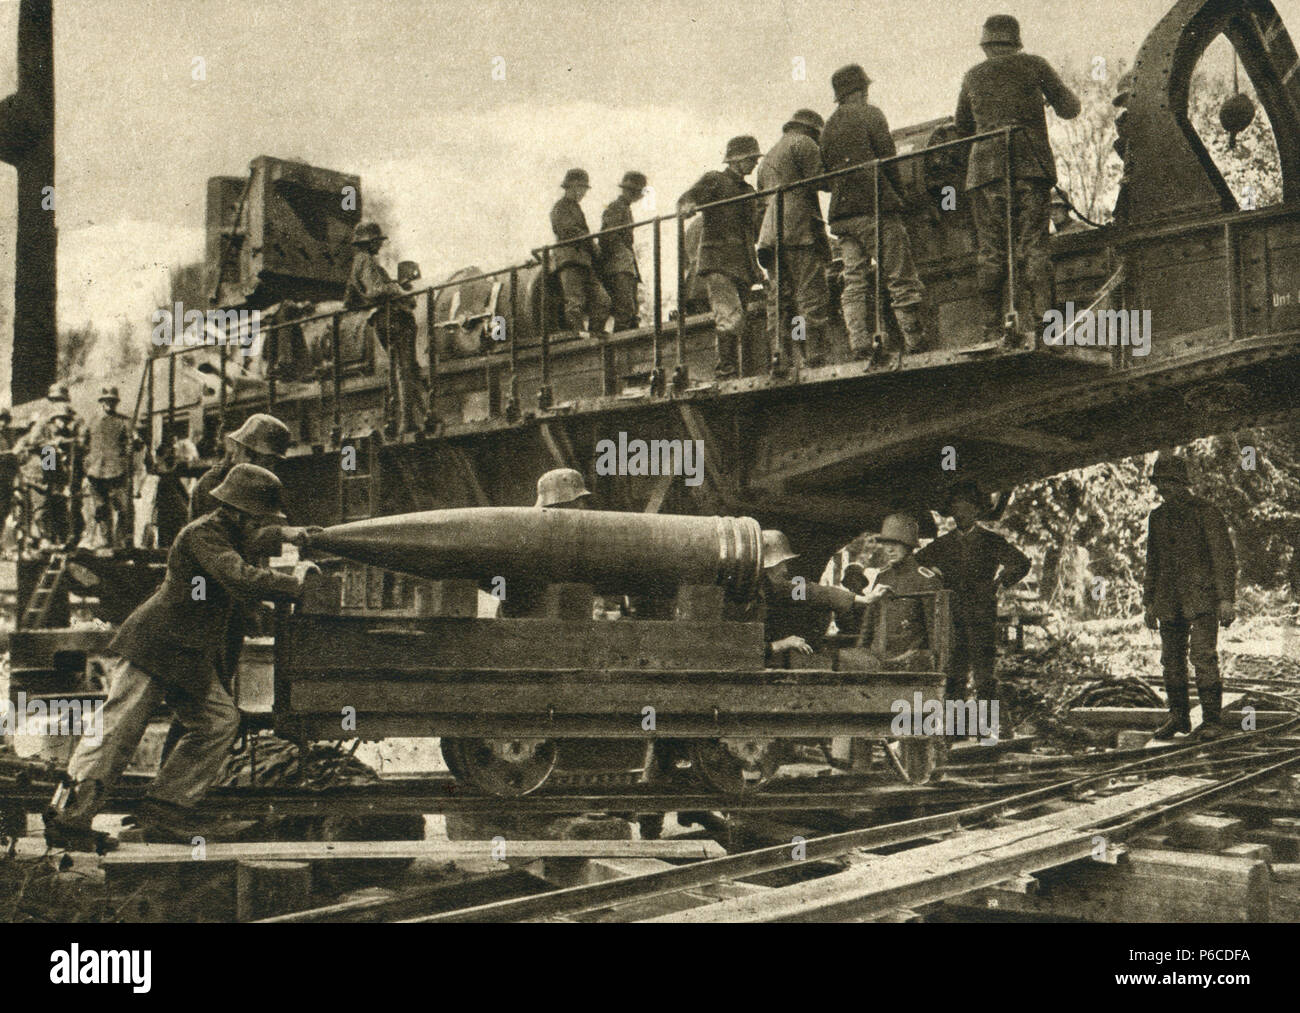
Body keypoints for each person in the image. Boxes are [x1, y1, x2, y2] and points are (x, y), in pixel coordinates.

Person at [43, 465, 314, 851]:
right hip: (156, 644)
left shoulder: (231, 530)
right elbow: (237, 576)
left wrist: (289, 533)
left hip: (188, 652)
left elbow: (257, 538)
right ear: (239, 512)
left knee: (219, 721)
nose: (262, 526)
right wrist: (295, 585)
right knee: (117, 731)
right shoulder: (204, 535)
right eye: (259, 518)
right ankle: (67, 820)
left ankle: (167, 809)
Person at [955, 14, 1081, 346]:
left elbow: (963, 128)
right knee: (1034, 246)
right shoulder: (1034, 65)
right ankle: (1045, 323)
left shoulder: (971, 76)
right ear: (1015, 42)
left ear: (986, 45)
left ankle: (990, 328)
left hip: (984, 174)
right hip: (1029, 168)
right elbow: (1070, 108)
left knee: (991, 251)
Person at [821, 63, 927, 363]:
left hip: (842, 216)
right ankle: (915, 341)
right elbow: (888, 159)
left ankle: (859, 344)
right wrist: (899, 196)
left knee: (853, 280)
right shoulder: (871, 114)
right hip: (874, 207)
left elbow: (827, 175)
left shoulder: (827, 127)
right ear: (862, 90)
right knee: (899, 274)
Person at [1143, 453, 1237, 740]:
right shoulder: (1157, 517)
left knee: (1203, 657)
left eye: (1167, 484)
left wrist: (1226, 599)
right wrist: (1148, 603)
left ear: (1181, 483)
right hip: (1168, 601)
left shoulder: (1207, 512)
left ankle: (1212, 722)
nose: (1162, 490)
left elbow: (1224, 557)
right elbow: (1153, 562)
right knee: (1171, 660)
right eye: (1160, 485)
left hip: (1203, 600)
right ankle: (1179, 718)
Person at [916, 479, 1031, 702]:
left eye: (966, 508)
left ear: (977, 510)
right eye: (956, 509)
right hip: (952, 616)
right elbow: (917, 564)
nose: (960, 514)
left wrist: (999, 583)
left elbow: (1021, 563)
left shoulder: (991, 541)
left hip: (982, 614)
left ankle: (986, 727)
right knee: (953, 675)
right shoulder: (944, 543)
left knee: (984, 677)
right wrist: (934, 576)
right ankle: (955, 731)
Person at [679, 136, 765, 379]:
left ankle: (733, 367)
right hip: (717, 261)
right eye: (750, 159)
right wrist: (686, 206)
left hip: (742, 266)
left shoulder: (749, 191)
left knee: (738, 318)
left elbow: (754, 230)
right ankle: (725, 370)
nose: (754, 164)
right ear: (737, 159)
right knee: (728, 315)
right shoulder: (715, 180)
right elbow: (688, 197)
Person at [757, 109, 832, 371]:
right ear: (812, 130)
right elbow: (823, 181)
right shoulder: (804, 143)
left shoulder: (767, 157)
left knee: (781, 301)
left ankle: (782, 356)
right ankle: (813, 356)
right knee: (809, 296)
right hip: (798, 231)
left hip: (770, 236)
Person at [345, 220, 425, 433]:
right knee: (405, 367)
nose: (379, 246)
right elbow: (375, 290)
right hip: (392, 318)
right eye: (376, 242)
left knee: (403, 367)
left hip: (385, 319)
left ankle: (417, 416)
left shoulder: (360, 262)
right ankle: (407, 421)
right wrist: (398, 288)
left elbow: (351, 299)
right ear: (368, 243)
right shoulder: (366, 262)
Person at [756, 529, 882, 664]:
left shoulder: (776, 587)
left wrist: (864, 599)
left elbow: (814, 592)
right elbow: (739, 651)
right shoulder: (746, 596)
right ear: (766, 566)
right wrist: (781, 644)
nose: (785, 570)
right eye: (780, 564)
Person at [859, 513, 944, 669]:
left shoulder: (926, 580)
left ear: (909, 545)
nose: (889, 549)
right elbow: (869, 622)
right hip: (880, 664)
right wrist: (861, 653)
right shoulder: (883, 577)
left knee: (917, 695)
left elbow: (936, 631)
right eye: (886, 543)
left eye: (896, 543)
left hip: (913, 669)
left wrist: (936, 670)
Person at [190, 414, 291, 521]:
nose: (271, 468)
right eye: (268, 461)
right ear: (249, 455)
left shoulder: (262, 483)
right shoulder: (214, 485)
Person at [16, 388, 83, 548]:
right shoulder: (42, 425)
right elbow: (33, 444)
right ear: (54, 419)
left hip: (53, 474)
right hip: (37, 474)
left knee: (58, 505)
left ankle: (59, 539)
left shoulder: (66, 430)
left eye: (67, 420)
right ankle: (43, 538)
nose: (64, 423)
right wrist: (52, 444)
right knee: (41, 508)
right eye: (62, 420)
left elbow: (73, 449)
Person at [550, 169, 612, 336]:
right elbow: (568, 231)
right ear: (573, 187)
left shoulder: (575, 208)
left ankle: (594, 333)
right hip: (569, 261)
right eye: (582, 188)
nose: (584, 193)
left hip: (584, 262)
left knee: (603, 300)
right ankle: (578, 337)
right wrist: (591, 242)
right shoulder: (560, 207)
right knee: (574, 302)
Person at [82, 386, 139, 550]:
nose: (110, 404)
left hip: (117, 470)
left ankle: (123, 540)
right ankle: (106, 540)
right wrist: (86, 463)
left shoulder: (124, 422)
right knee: (100, 508)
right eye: (107, 401)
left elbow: (133, 440)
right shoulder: (92, 422)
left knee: (123, 506)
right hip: (95, 470)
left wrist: (133, 446)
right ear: (102, 402)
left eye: (113, 401)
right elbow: (82, 443)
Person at [600, 172, 648, 332]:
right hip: (618, 266)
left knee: (631, 310)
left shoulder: (624, 208)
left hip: (625, 265)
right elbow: (608, 237)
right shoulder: (616, 208)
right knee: (625, 309)